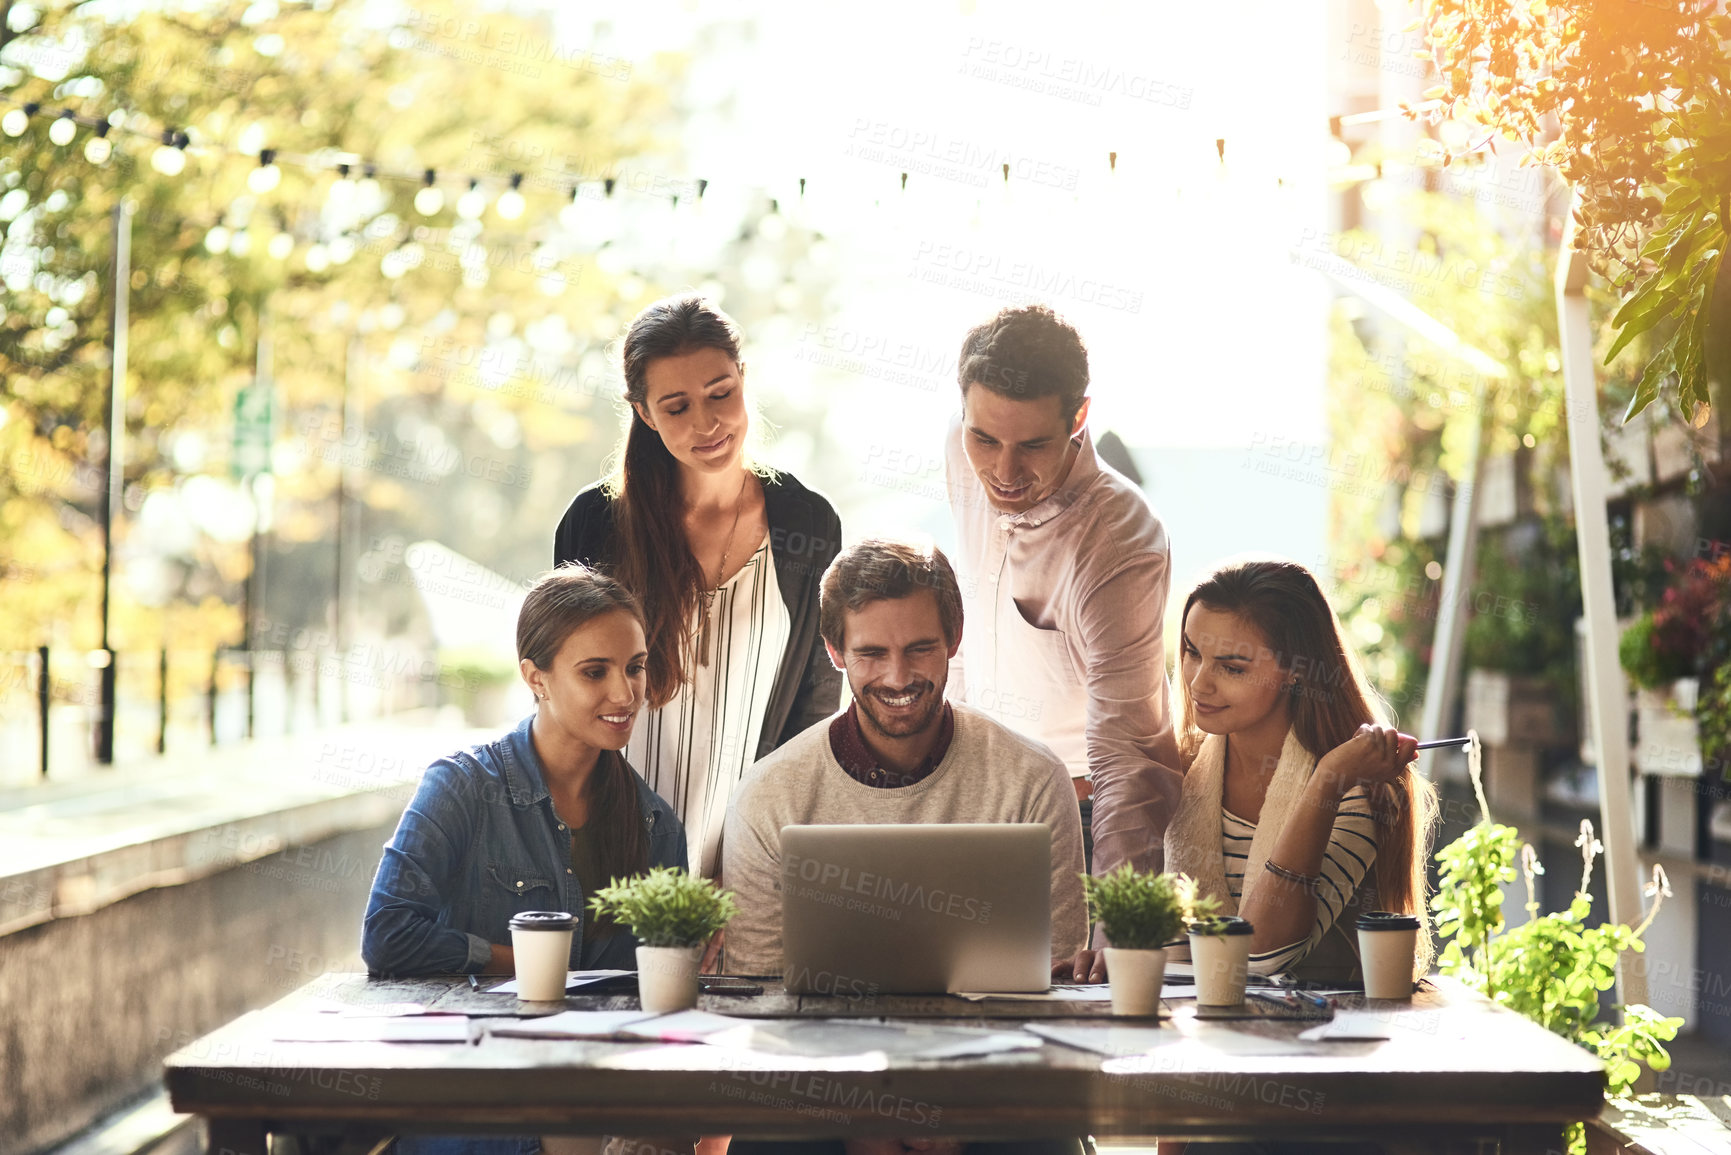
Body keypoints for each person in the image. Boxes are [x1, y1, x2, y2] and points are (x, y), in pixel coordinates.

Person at [554, 293, 843, 880]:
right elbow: (563, 705)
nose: (707, 424)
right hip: (611, 854)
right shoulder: (596, 524)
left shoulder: (807, 524)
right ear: (643, 412)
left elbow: (814, 714)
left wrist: (771, 862)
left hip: (752, 856)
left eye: (721, 393)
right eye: (677, 406)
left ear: (743, 379)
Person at [1060, 558, 1439, 985]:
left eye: (1232, 667)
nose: (1199, 684)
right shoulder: (1174, 772)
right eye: (1192, 652)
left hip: (1314, 1038)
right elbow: (1145, 935)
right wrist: (1112, 956)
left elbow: (1260, 955)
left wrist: (1328, 778)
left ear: (1297, 670)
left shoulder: (1360, 787)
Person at [721, 538, 1087, 979]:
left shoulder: (1034, 781)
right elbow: (755, 990)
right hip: (824, 1045)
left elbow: (1059, 976)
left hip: (996, 1042)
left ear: (955, 638)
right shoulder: (767, 797)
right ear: (835, 652)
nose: (898, 678)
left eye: (919, 649)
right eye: (872, 653)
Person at [944, 304, 1181, 883]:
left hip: (1086, 820)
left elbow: (1126, 749)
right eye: (985, 437)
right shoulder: (960, 449)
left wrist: (1120, 910)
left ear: (1079, 417)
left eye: (1032, 446)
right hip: (983, 808)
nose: (1004, 469)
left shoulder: (1120, 541)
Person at [361, 565, 685, 978]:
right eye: (594, 672)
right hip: (477, 1039)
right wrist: (531, 964)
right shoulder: (460, 788)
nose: (625, 695)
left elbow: (668, 978)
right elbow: (387, 935)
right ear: (536, 679)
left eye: (635, 667)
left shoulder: (658, 826)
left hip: (610, 1043)